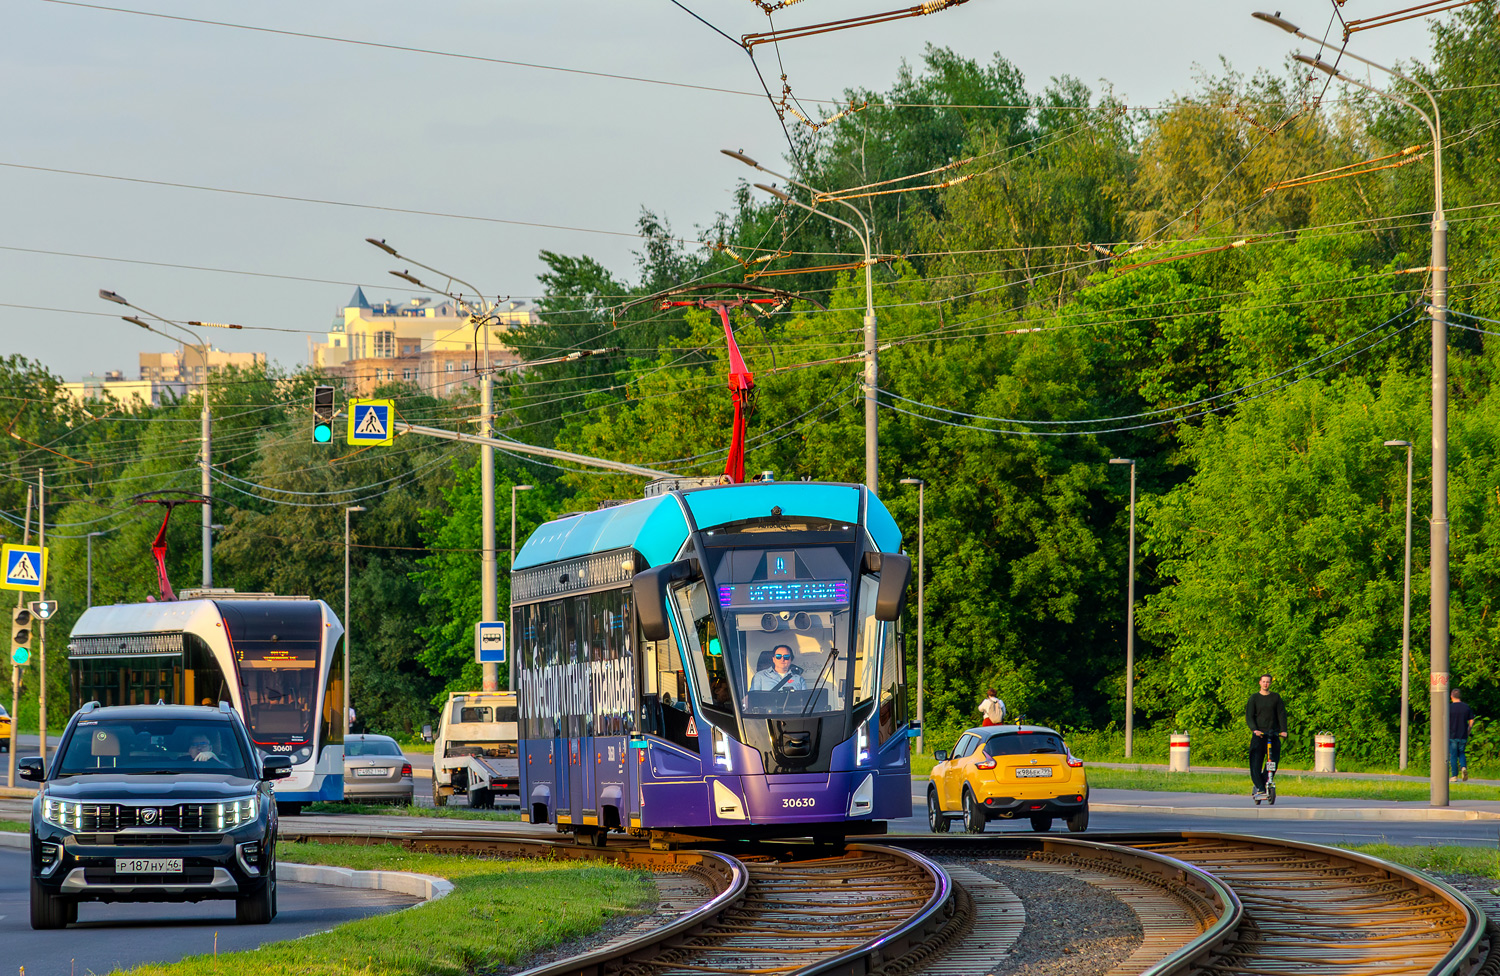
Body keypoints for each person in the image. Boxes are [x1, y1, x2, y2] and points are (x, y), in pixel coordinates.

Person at [1245, 673, 1288, 801]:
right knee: (1256, 762)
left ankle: (1266, 782)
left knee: (1272, 762)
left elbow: (1281, 714)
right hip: (1259, 736)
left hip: (1272, 734)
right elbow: (1249, 716)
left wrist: (1283, 730)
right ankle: (1259, 786)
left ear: (1270, 683)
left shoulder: (1275, 697)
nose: (1266, 684)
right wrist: (1254, 729)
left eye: (1268, 682)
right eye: (1263, 681)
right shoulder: (1254, 698)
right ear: (1259, 682)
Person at [1449, 687, 1476, 782]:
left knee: (1453, 755)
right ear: (1460, 696)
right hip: (1463, 734)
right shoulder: (1466, 707)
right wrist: (1468, 730)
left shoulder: (1449, 707)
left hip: (1452, 735)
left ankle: (1454, 776)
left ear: (1451, 696)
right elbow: (1472, 720)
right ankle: (1463, 767)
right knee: (1461, 753)